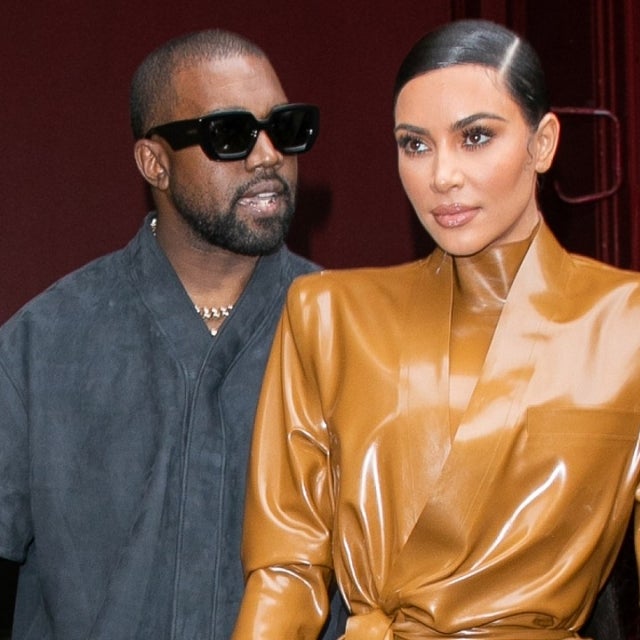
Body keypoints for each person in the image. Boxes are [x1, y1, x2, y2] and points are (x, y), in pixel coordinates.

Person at [231, 19, 640, 640]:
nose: (441, 175)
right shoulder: (330, 315)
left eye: (475, 137)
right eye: (415, 145)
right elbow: (285, 571)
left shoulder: (626, 324)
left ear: (543, 143)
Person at [0, 28, 345, 640]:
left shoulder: (347, 336)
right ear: (154, 163)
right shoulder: (42, 348)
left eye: (286, 128)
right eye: (231, 134)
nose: (268, 156)